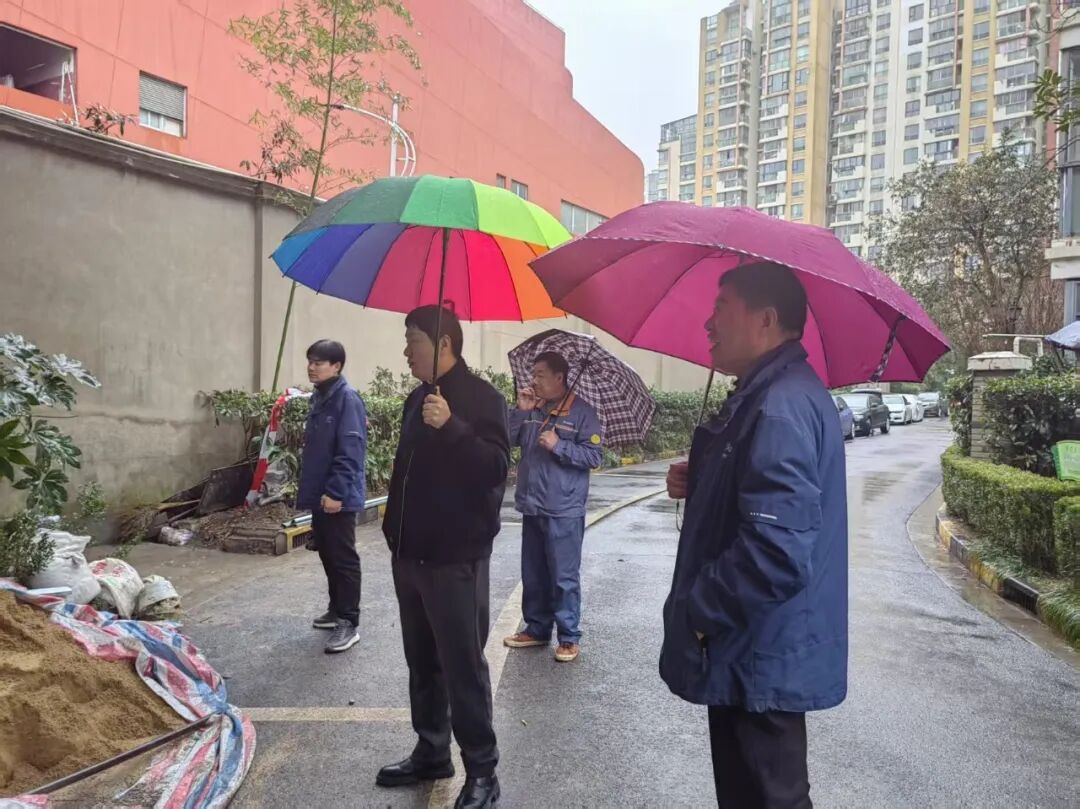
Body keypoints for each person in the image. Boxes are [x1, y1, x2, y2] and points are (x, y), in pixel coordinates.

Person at [659, 262, 848, 809]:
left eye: (721, 308)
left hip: (759, 652)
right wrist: (706, 476)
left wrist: (699, 610)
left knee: (767, 798)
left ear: (765, 319)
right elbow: (766, 503)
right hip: (753, 648)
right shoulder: (769, 395)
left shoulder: (779, 406)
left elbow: (776, 551)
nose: (708, 323)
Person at [379, 305, 509, 809]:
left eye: (414, 341)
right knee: (422, 661)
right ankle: (432, 750)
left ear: (445, 344)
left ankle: (483, 771)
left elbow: (495, 469)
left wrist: (453, 426)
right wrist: (394, 534)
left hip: (456, 559)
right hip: (411, 555)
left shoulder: (481, 399)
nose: (406, 351)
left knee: (463, 667)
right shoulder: (417, 398)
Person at [503, 351, 602, 662]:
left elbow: (594, 456)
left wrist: (559, 446)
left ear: (560, 378)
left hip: (564, 508)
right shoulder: (534, 408)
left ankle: (569, 636)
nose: (534, 380)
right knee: (533, 573)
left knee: (563, 576)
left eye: (541, 375)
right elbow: (507, 439)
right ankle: (537, 629)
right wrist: (520, 412)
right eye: (533, 374)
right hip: (532, 504)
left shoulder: (583, 413)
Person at [296, 339, 368, 655]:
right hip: (321, 494)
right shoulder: (321, 396)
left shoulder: (346, 398)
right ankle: (336, 608)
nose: (311, 367)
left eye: (318, 362)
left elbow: (351, 450)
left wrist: (336, 492)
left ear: (336, 366)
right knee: (327, 552)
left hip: (338, 496)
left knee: (343, 558)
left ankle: (349, 621)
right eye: (310, 361)